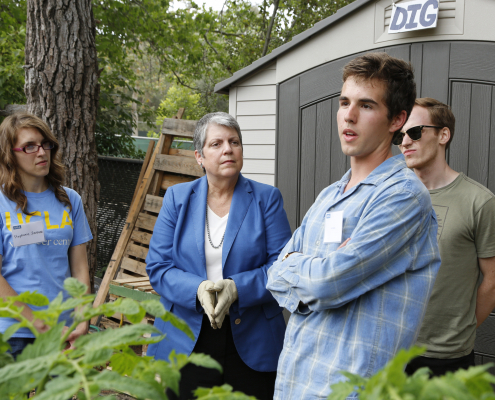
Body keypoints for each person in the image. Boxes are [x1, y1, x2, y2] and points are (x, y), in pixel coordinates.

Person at [266, 53, 441, 399]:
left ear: (397, 120)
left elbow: (329, 282)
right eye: (344, 102)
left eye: (366, 105)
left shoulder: (404, 197)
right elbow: (274, 275)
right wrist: (315, 272)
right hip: (294, 382)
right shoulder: (329, 195)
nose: (349, 115)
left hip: (349, 389)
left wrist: (302, 269)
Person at [146, 112, 292, 400]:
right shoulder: (177, 199)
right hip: (186, 336)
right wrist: (197, 289)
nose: (228, 149)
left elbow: (283, 267)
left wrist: (237, 288)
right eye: (217, 144)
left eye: (234, 142)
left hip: (253, 336)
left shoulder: (267, 199)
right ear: (199, 156)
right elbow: (159, 267)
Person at [397, 98, 495, 376]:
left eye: (414, 132)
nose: (405, 142)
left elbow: (493, 279)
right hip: (390, 347)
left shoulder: (479, 202)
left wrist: (460, 329)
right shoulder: (391, 196)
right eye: (400, 135)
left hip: (446, 357)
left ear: (443, 135)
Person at [0, 113, 93, 359]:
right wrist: (40, 325)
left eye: (45, 144)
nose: (41, 152)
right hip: (13, 331)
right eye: (29, 146)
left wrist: (82, 319)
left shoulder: (70, 199)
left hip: (63, 330)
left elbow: (80, 270)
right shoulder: (1, 202)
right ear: (10, 154)